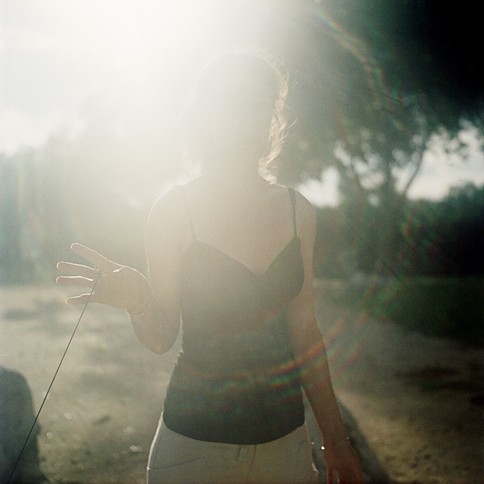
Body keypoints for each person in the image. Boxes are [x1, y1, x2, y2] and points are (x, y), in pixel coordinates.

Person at [57, 49, 363, 483]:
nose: (245, 113)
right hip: (193, 452)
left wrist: (336, 439)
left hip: (287, 447)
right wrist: (138, 300)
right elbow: (162, 337)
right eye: (231, 101)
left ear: (271, 118)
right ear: (206, 116)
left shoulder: (300, 212)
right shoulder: (173, 210)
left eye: (259, 102)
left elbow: (305, 332)